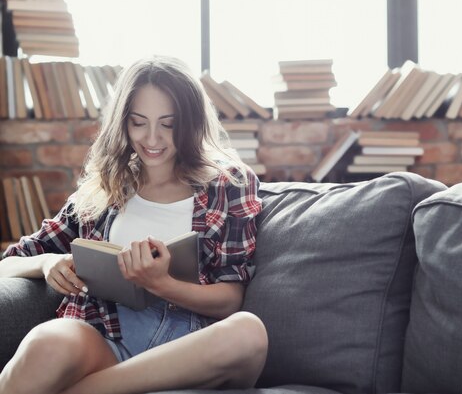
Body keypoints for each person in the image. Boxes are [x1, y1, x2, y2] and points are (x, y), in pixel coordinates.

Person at [0, 56, 267, 394]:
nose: (152, 139)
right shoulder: (105, 187)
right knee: (47, 341)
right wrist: (47, 262)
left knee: (247, 332)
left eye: (168, 124)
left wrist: (160, 284)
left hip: (189, 344)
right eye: (139, 122)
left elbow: (230, 299)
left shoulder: (230, 184)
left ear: (192, 123)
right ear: (123, 123)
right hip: (107, 336)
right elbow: (7, 263)